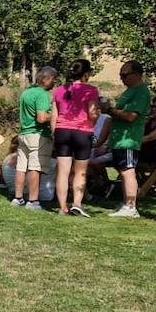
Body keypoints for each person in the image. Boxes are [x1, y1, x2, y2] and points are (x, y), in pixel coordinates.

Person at [99, 60, 151, 217]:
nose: (122, 78)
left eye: (124, 75)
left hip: (128, 139)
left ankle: (130, 206)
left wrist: (109, 109)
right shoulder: (130, 91)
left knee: (128, 171)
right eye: (120, 75)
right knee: (123, 171)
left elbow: (130, 116)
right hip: (120, 139)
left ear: (136, 74)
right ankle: (126, 203)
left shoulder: (141, 92)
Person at [53, 58, 100, 216]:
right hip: (82, 131)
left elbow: (54, 116)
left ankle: (62, 207)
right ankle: (77, 204)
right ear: (86, 74)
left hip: (62, 131)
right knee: (80, 171)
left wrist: (55, 134)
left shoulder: (59, 90)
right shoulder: (90, 90)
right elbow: (93, 114)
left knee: (63, 172)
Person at [13, 67, 57, 209]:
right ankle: (33, 201)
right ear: (45, 79)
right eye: (53, 79)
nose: (54, 83)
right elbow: (42, 117)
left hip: (24, 133)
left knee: (21, 167)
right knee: (34, 167)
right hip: (37, 135)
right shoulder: (42, 94)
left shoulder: (26, 93)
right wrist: (57, 114)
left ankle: (18, 198)